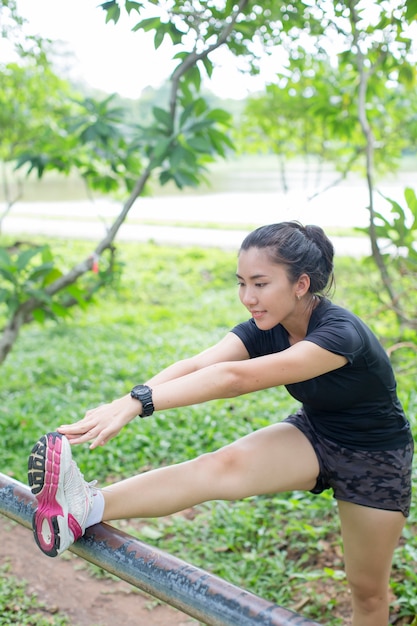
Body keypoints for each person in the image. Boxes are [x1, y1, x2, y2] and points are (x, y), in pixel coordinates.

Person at [27, 221, 413, 626]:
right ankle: (81, 510)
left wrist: (139, 405)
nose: (248, 297)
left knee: (366, 592)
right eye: (241, 283)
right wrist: (124, 401)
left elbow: (234, 378)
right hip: (316, 433)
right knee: (216, 467)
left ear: (301, 284)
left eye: (260, 284)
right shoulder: (270, 325)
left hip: (375, 458)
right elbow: (200, 363)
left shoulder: (340, 334)